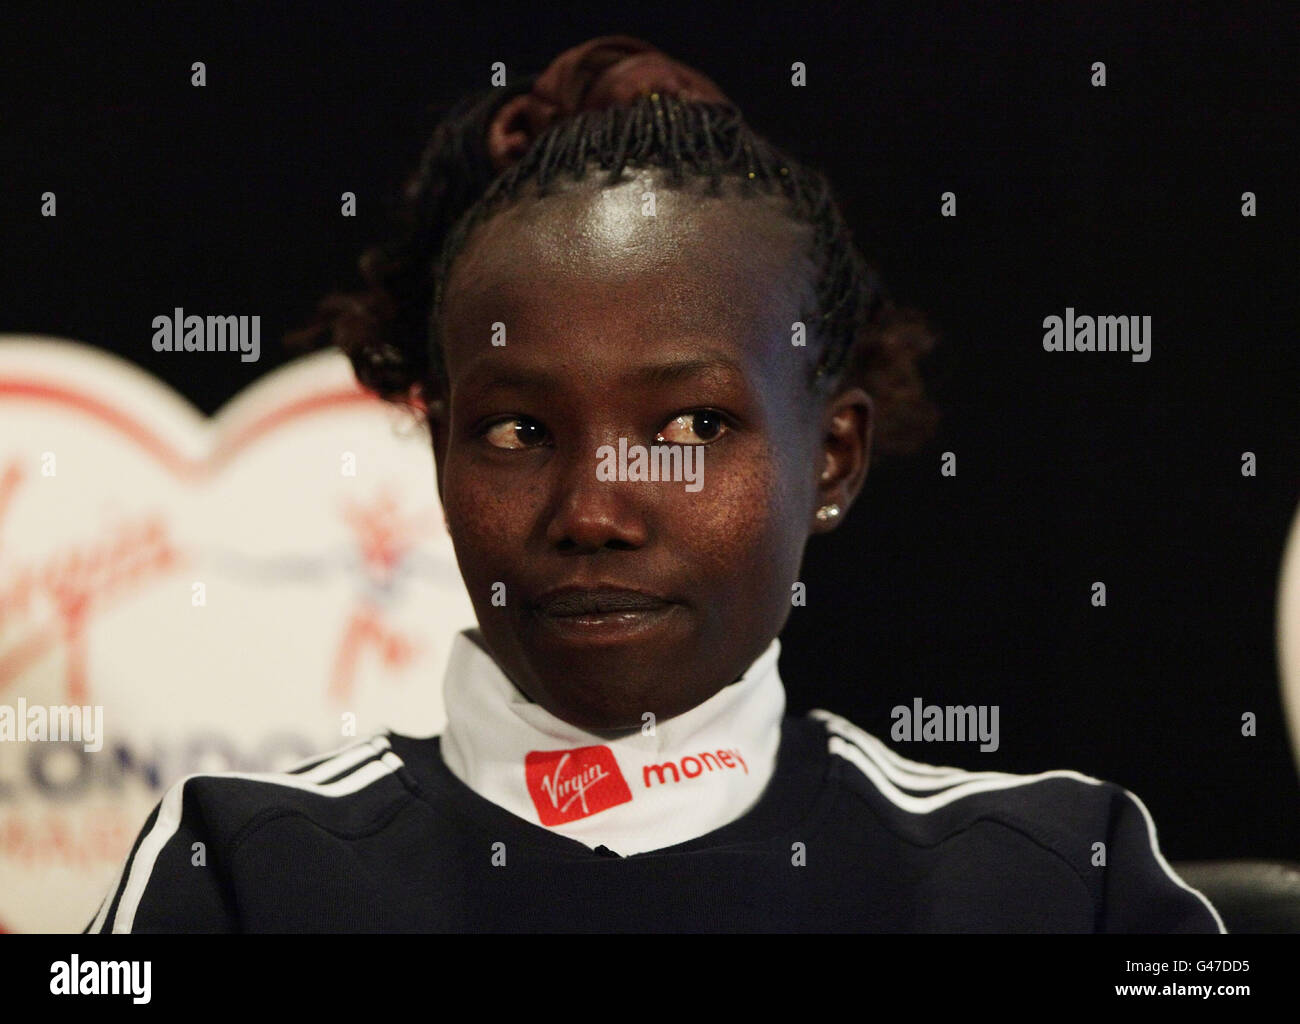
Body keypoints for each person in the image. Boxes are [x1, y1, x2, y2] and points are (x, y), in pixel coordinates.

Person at [84, 35, 1223, 933]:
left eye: (688, 425)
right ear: (438, 456)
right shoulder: (237, 873)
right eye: (518, 427)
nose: (591, 510)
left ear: (831, 457)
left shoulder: (1056, 880)